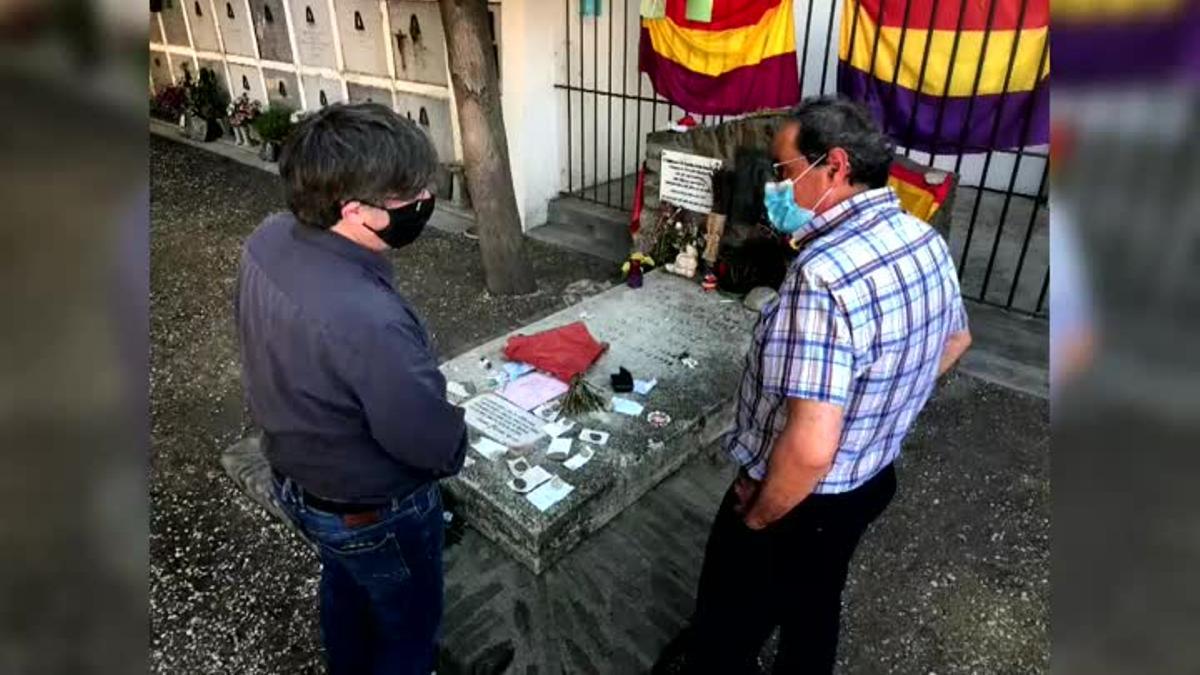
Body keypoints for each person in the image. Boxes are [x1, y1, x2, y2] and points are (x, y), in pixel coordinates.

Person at [681, 97, 973, 674]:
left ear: (835, 167)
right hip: (871, 476)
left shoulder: (824, 276)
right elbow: (956, 341)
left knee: (724, 624)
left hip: (800, 498)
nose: (775, 187)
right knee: (814, 602)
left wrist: (761, 516)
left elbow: (812, 448)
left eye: (785, 171)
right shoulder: (922, 238)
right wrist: (879, 409)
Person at [235, 102, 466, 675]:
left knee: (345, 590)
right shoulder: (369, 318)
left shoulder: (267, 240)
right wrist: (456, 435)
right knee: (408, 632)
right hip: (373, 509)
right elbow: (427, 441)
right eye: (409, 197)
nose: (424, 204)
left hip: (298, 481)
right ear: (356, 211)